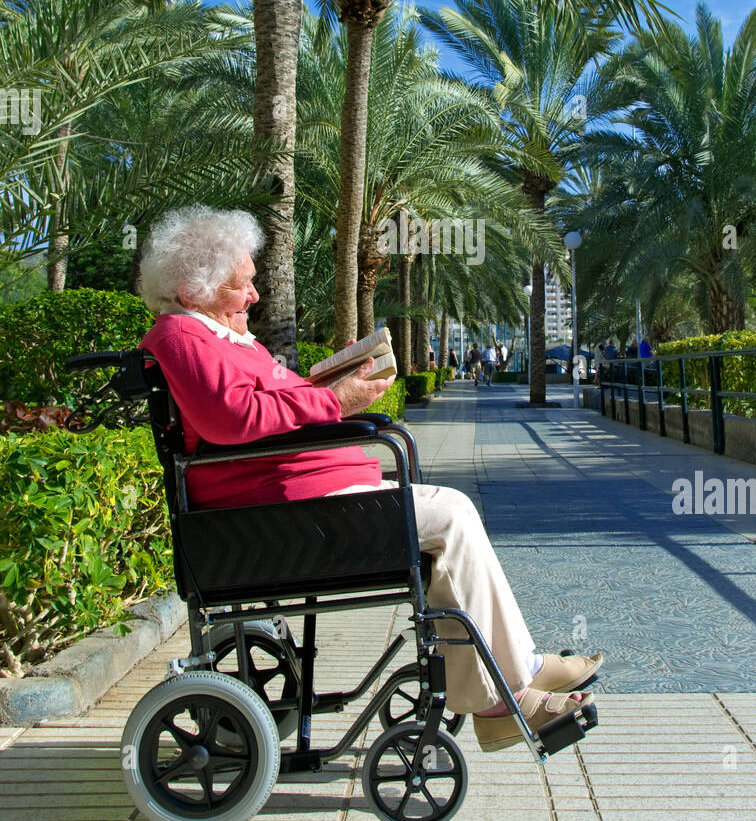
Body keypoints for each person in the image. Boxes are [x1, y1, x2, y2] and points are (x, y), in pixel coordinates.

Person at [136, 207, 603, 751]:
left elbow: (265, 403)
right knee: (450, 518)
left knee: (452, 512)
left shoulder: (218, 338)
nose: (255, 296)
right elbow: (233, 419)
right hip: (278, 512)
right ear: (196, 290)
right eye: (244, 285)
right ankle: (505, 698)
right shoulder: (183, 337)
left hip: (297, 499)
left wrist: (327, 386)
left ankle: (517, 671)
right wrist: (334, 399)